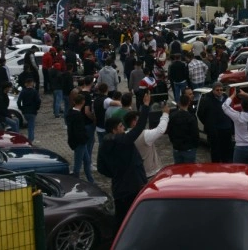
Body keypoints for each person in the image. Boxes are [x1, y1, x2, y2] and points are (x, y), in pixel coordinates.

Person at [98, 92, 151, 227]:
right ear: (114, 130)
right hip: (133, 184)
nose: (124, 129)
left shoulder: (104, 144)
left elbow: (101, 167)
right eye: (121, 127)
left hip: (118, 187)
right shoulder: (123, 140)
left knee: (121, 218)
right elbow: (139, 128)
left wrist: (115, 172)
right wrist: (145, 106)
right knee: (136, 217)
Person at [197, 81, 233, 163]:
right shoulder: (206, 100)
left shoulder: (225, 98)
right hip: (214, 131)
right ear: (213, 90)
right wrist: (208, 123)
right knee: (215, 153)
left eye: (221, 90)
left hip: (226, 129)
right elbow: (200, 114)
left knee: (227, 153)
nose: (220, 91)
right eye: (217, 90)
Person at [133, 102, 170, 178]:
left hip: (136, 172)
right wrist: (165, 114)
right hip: (150, 172)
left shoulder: (125, 135)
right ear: (134, 122)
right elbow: (160, 130)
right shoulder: (144, 135)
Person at [222, 89, 248, 164]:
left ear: (241, 106)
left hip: (240, 147)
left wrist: (233, 95)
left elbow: (224, 106)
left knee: (238, 170)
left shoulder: (237, 116)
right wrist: (245, 94)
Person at [67, 93, 94, 183]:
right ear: (83, 102)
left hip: (77, 141)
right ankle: (76, 181)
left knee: (87, 161)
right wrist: (84, 139)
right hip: (80, 142)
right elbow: (79, 131)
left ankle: (91, 180)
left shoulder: (70, 112)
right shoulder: (78, 116)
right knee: (78, 165)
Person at [167, 94, 200, 163]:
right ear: (189, 103)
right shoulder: (191, 117)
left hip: (177, 148)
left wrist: (174, 142)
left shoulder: (172, 116)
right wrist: (195, 145)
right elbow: (195, 134)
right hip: (189, 148)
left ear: (179, 103)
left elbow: (169, 131)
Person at [16, 76, 41, 143]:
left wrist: (21, 108)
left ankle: (30, 139)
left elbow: (18, 101)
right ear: (32, 83)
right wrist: (37, 108)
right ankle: (31, 140)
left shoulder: (23, 92)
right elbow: (38, 101)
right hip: (32, 111)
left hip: (25, 111)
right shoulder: (34, 92)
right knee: (31, 127)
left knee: (30, 125)